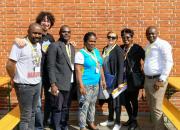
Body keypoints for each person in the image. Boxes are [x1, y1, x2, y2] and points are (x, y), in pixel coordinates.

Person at [14, 11, 56, 130]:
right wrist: (17, 39)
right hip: (34, 75)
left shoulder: (50, 38)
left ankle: (45, 122)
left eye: (48, 21)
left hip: (47, 74)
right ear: (39, 22)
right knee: (36, 104)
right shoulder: (35, 35)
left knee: (48, 100)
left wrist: (68, 43)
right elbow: (23, 41)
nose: (46, 23)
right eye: (43, 20)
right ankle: (38, 127)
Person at [6, 23, 43, 130]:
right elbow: (10, 65)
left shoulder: (38, 45)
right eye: (34, 33)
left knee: (32, 113)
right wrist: (13, 78)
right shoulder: (19, 45)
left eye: (39, 34)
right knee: (25, 116)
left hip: (37, 83)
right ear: (28, 32)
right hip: (24, 86)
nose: (37, 35)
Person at [75, 32, 106, 130]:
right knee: (84, 105)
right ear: (85, 42)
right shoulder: (80, 54)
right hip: (85, 84)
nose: (92, 43)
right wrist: (81, 86)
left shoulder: (96, 51)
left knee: (92, 105)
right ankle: (82, 126)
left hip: (95, 84)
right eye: (90, 41)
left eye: (94, 41)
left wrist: (103, 79)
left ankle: (91, 122)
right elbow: (78, 70)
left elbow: (99, 65)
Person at [144, 26, 173, 130]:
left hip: (157, 80)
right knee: (151, 105)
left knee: (156, 107)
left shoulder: (163, 44)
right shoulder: (148, 45)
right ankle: (157, 126)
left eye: (153, 33)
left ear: (157, 33)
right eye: (148, 34)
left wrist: (161, 79)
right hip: (148, 79)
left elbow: (169, 62)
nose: (150, 35)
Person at [47, 25, 75, 130]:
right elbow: (50, 66)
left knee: (66, 107)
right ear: (60, 33)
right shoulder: (54, 46)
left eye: (68, 32)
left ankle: (64, 125)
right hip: (58, 83)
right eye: (64, 32)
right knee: (57, 107)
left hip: (70, 83)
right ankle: (57, 126)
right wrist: (53, 84)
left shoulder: (71, 47)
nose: (66, 33)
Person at [120, 28, 145, 130]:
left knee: (134, 100)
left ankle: (134, 121)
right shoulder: (120, 48)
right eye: (123, 37)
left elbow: (146, 60)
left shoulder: (137, 48)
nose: (125, 39)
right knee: (125, 100)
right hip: (123, 79)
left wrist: (143, 74)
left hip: (134, 79)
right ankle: (130, 118)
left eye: (128, 37)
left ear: (132, 37)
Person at [99, 31, 124, 130]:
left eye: (113, 38)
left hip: (115, 80)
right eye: (109, 37)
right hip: (106, 79)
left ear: (116, 39)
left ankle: (117, 122)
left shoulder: (118, 50)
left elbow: (121, 67)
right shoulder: (105, 48)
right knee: (109, 101)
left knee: (116, 102)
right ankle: (110, 120)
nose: (111, 39)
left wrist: (119, 83)